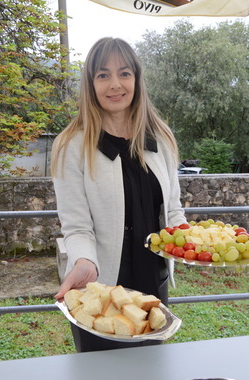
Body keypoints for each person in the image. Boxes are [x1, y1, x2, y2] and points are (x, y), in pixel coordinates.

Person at [51, 37, 187, 352]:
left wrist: (189, 241)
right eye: (103, 75)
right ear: (90, 83)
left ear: (137, 80)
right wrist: (84, 261)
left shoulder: (161, 137)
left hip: (153, 286)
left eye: (124, 73)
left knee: (153, 370)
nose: (115, 84)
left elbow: (174, 211)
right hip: (99, 291)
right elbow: (76, 225)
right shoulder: (71, 145)